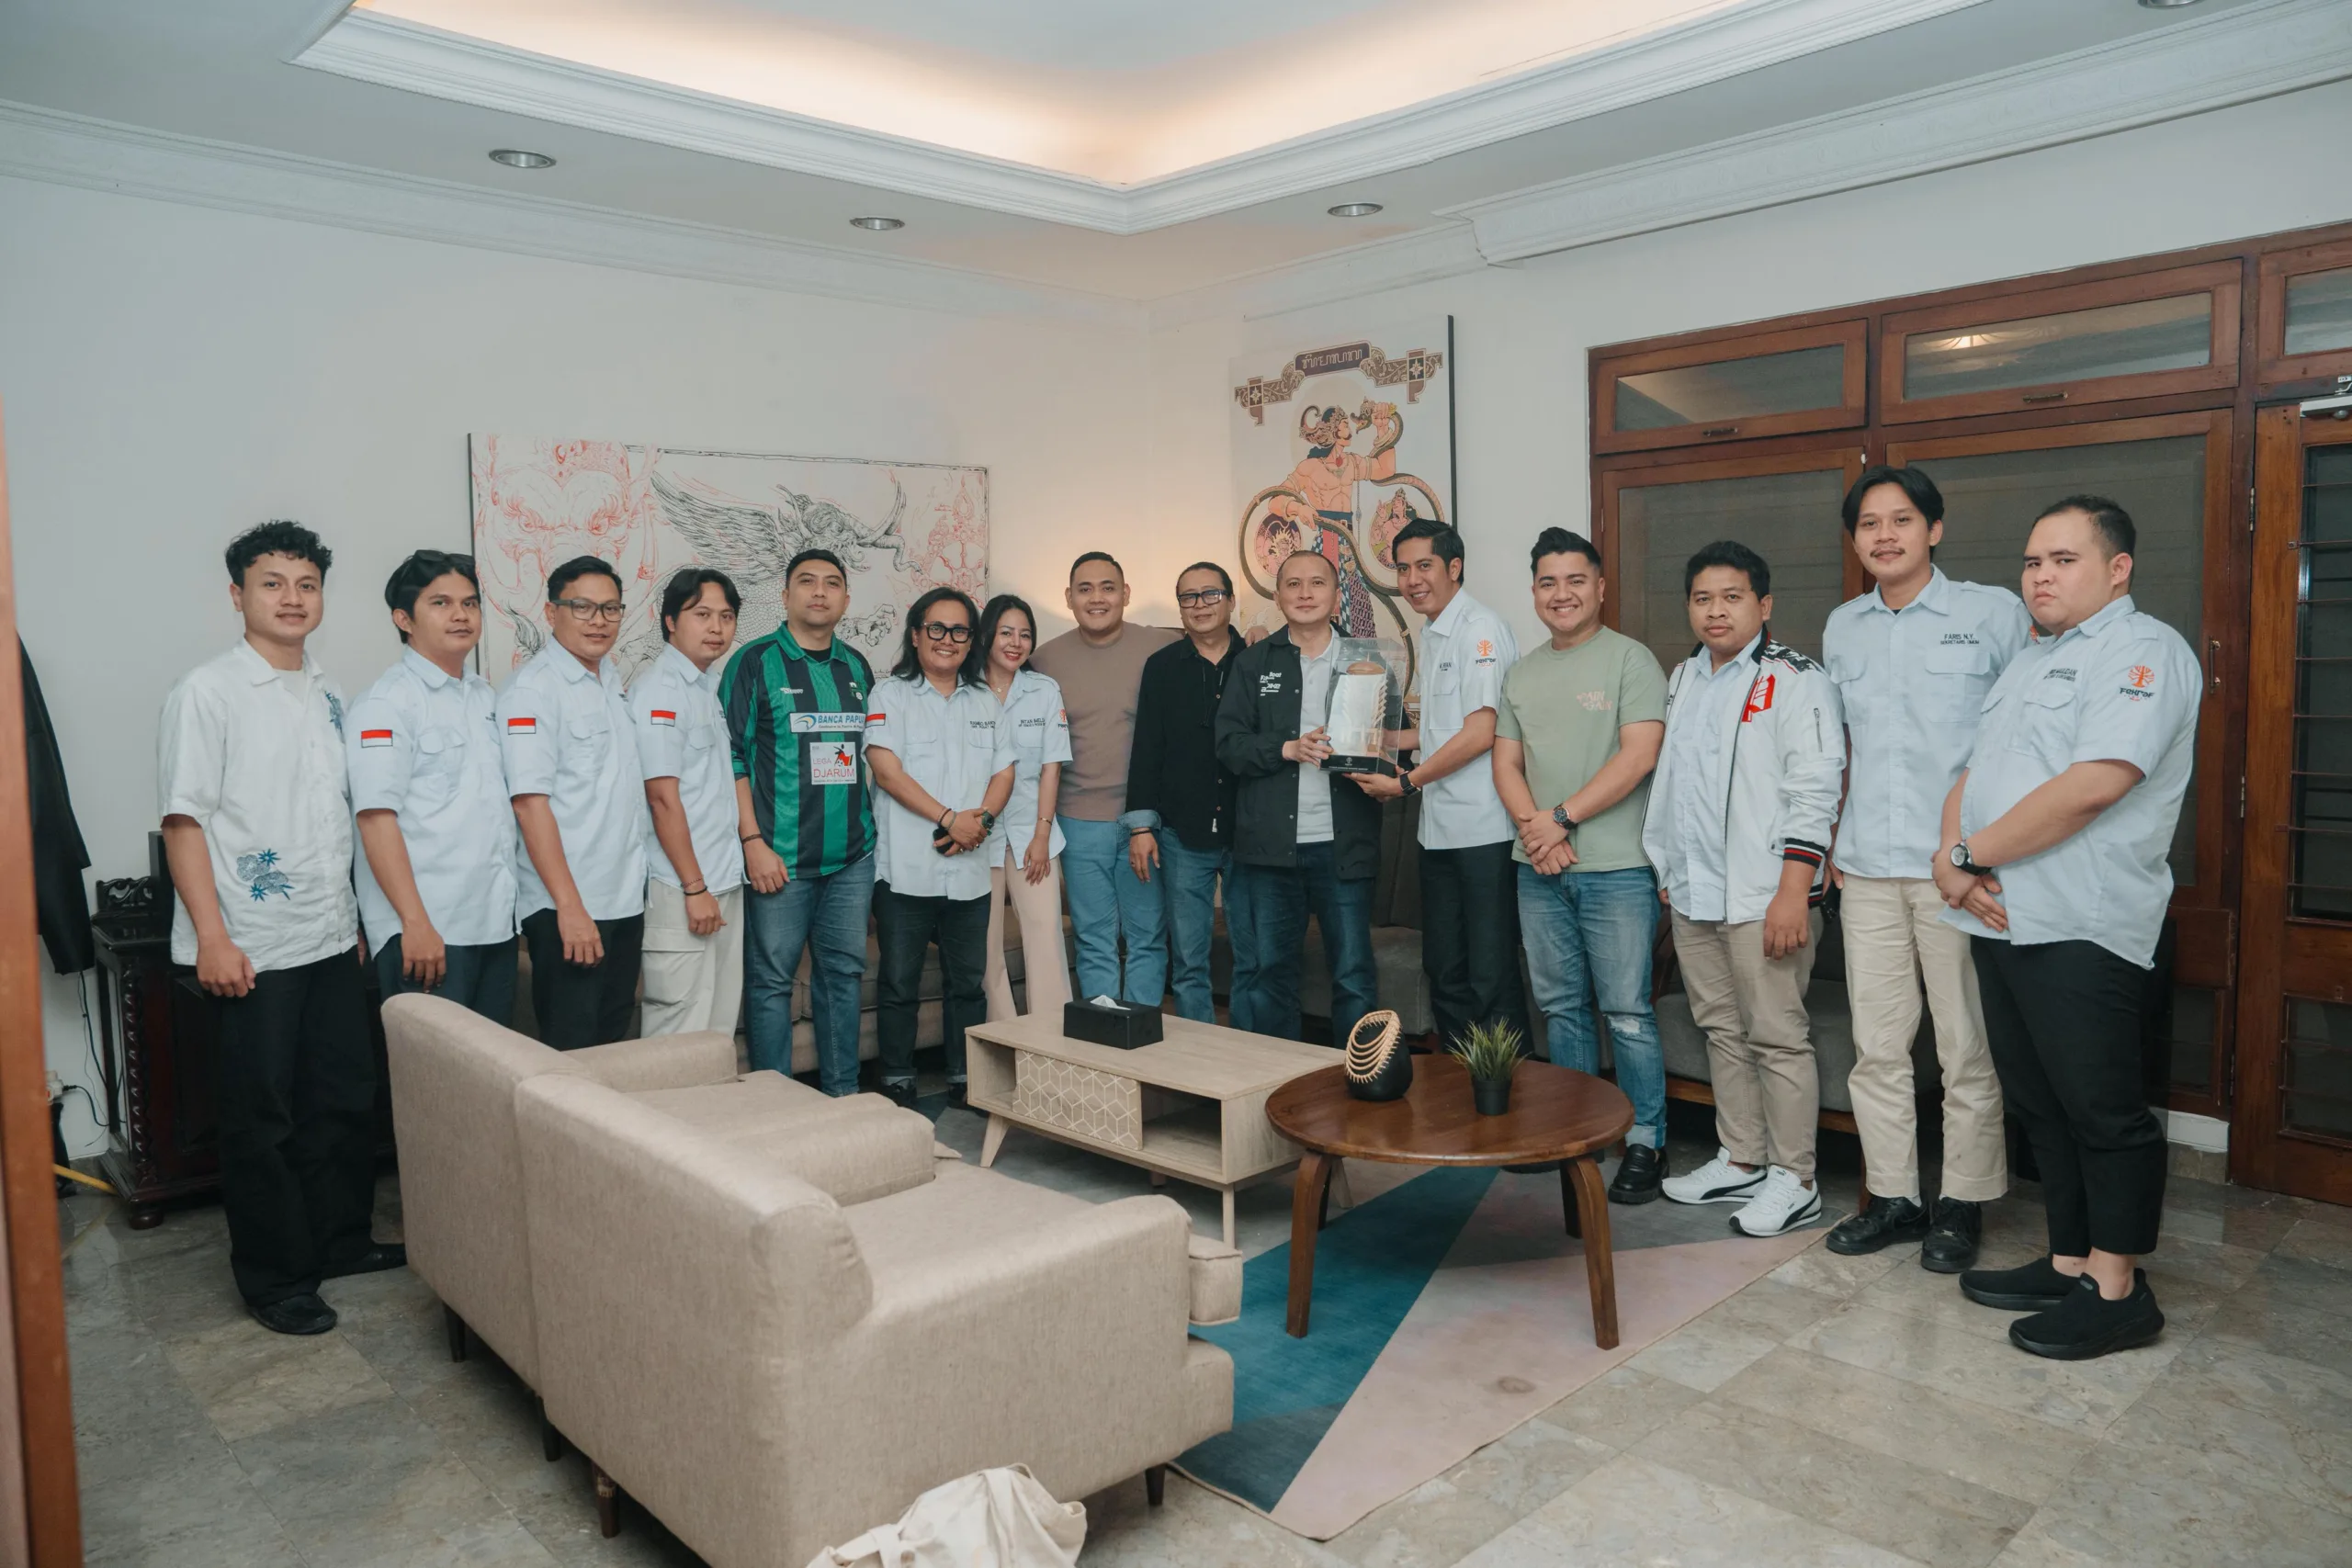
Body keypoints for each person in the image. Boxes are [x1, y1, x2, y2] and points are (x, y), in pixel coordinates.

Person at [1937, 497, 2197, 1360]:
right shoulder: (2032, 658)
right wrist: (1950, 857)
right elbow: (1976, 771)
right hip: (2004, 916)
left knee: (2102, 1109)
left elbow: (2095, 784)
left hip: (2084, 921)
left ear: (2117, 569)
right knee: (2041, 1105)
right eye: (2031, 561)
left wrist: (1968, 853)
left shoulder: (2143, 651)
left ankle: (2118, 1290)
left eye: (2062, 559)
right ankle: (2071, 1261)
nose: (2040, 575)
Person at [158, 521, 402, 1337]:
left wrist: (351, 919)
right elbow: (183, 823)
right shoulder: (208, 692)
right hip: (251, 944)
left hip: (328, 936)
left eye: (306, 584)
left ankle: (340, 1240)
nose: (292, 598)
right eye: (272, 583)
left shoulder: (329, 692)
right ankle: (275, 1278)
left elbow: (330, 818)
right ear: (238, 595)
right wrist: (212, 936)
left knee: (342, 1097)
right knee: (261, 1117)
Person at [1822, 467, 2030, 1271]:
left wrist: (1984, 855)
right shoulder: (1843, 626)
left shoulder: (1991, 613)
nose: (1884, 535)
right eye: (1869, 523)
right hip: (1867, 870)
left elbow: (2020, 741)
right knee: (1877, 1047)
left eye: (1901, 519)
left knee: (1965, 1046)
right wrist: (1832, 842)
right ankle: (1895, 1197)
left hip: (1958, 873)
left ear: (1934, 529)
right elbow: (1842, 747)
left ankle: (1963, 1203)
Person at [1649, 541, 1844, 1237]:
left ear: (1763, 605)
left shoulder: (1796, 678)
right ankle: (1742, 1158)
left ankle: (1797, 1179)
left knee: (1776, 1036)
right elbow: (1678, 782)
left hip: (1766, 894)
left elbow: (1815, 789)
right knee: (1721, 1030)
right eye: (1702, 598)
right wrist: (1671, 869)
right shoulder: (1685, 677)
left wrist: (1795, 890)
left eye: (1731, 597)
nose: (1716, 611)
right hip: (1696, 891)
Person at [1491, 529, 1672, 1203]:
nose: (1561, 593)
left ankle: (1645, 1140)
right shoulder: (1522, 672)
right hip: (1538, 868)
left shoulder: (1631, 660)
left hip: (1616, 869)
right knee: (1561, 1009)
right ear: (1534, 592)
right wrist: (1537, 831)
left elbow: (1639, 756)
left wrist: (1560, 819)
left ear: (1599, 586)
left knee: (1626, 1010)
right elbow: (1506, 763)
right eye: (1548, 582)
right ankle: (1574, 1136)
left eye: (1575, 580)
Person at [1357, 518, 1523, 1047]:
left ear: (1454, 567)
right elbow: (1439, 731)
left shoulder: (1479, 629)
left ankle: (1505, 1085)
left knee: (1490, 972)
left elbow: (1480, 733)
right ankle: (1459, 1078)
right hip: (1439, 831)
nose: (1412, 580)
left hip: (1485, 831)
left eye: (1424, 566)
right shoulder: (1432, 632)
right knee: (1445, 966)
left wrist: (1406, 784)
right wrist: (1376, 740)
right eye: (1403, 568)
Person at [720, 548, 877, 1094]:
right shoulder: (753, 662)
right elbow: (731, 757)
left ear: (845, 600)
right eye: (807, 582)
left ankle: (843, 1097)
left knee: (843, 978)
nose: (819, 592)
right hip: (778, 859)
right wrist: (752, 842)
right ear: (785, 595)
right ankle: (775, 1105)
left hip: (851, 860)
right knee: (770, 984)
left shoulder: (857, 667)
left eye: (832, 583)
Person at [1216, 549, 1382, 1043]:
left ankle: (1360, 1079)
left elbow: (1389, 739)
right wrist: (1286, 748)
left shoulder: (1367, 660)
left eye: (1317, 583)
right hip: (1271, 848)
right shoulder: (1253, 662)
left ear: (1336, 594)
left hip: (1343, 844)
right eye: (1293, 584)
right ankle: (1281, 1081)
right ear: (1278, 596)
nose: (1305, 593)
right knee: (1272, 973)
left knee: (1353, 973)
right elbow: (1228, 745)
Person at [349, 549, 519, 1023]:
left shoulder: (483, 697)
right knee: (435, 1069)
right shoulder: (387, 703)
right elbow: (375, 820)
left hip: (493, 925)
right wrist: (415, 923)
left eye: (469, 603)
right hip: (428, 932)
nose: (460, 615)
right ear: (403, 619)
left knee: (495, 1065)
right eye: (440, 603)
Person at [865, 587, 1017, 1107]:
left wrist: (983, 820)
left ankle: (964, 1077)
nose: (947, 639)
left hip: (970, 870)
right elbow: (887, 772)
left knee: (968, 984)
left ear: (971, 641)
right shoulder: (890, 695)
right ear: (916, 634)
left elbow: (1004, 771)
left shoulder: (984, 700)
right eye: (936, 628)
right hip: (906, 870)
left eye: (959, 631)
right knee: (899, 982)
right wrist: (951, 820)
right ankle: (897, 1077)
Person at [496, 555, 650, 1049]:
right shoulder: (534, 690)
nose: (598, 620)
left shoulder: (609, 680)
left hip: (622, 897)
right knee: (572, 1049)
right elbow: (529, 805)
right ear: (551, 612)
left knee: (612, 1039)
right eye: (582, 607)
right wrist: (570, 907)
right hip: (571, 904)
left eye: (610, 609)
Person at [1028, 553, 1178, 1006]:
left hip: (1144, 822)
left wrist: (1251, 634)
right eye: (1085, 589)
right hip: (1077, 821)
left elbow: (1220, 650)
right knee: (1094, 938)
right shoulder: (1044, 659)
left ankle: (1142, 1031)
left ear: (1125, 594)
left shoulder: (1163, 647)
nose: (1097, 598)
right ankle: (1104, 1034)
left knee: (1147, 936)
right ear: (1069, 598)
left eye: (1108, 587)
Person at [1128, 562, 1254, 1023]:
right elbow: (1147, 749)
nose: (1200, 605)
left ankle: (1248, 1050)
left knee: (1252, 958)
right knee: (1189, 963)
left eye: (1210, 594)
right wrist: (1141, 826)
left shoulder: (1258, 660)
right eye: (1189, 597)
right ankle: (1200, 1056)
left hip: (1250, 832)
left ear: (1231, 601)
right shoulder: (1161, 667)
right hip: (1182, 832)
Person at [631, 568, 747, 1036]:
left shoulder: (706, 687)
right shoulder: (661, 692)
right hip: (681, 886)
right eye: (702, 614)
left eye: (726, 616)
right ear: (670, 621)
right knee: (677, 1029)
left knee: (717, 1027)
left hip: (721, 879)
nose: (716, 627)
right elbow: (661, 799)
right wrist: (694, 888)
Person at [975, 593, 1073, 1021]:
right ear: (987, 636)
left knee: (1046, 936)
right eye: (1006, 633)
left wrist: (1042, 834)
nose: (1016, 643)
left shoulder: (1044, 690)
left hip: (1033, 832)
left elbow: (1052, 768)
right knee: (985, 944)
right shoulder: (964, 689)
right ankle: (1002, 1040)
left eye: (1025, 635)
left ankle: (1051, 1042)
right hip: (976, 837)